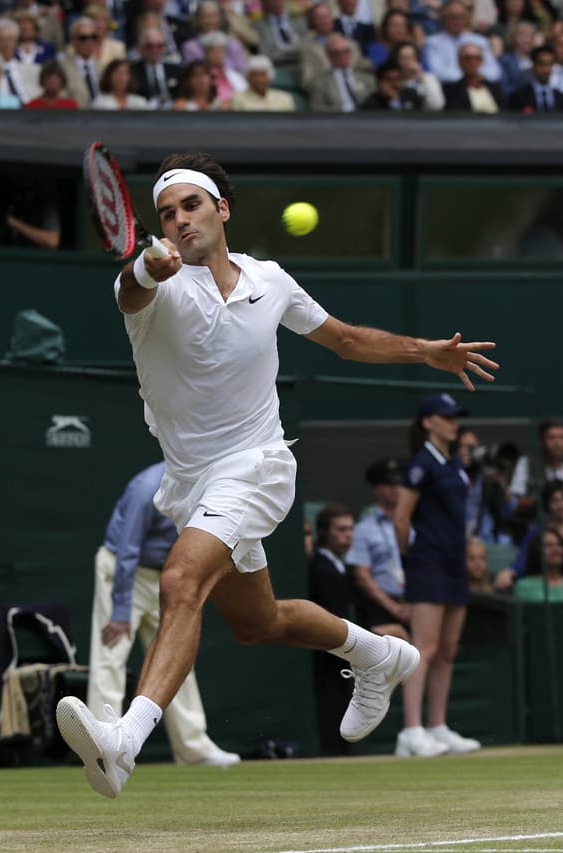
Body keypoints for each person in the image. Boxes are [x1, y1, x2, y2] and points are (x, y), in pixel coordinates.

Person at [55, 152, 497, 798]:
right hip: (192, 483)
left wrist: (425, 350)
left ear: (222, 209)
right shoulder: (155, 285)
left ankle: (124, 739)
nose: (179, 221)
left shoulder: (270, 280)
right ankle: (375, 654)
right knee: (257, 622)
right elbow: (131, 288)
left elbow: (344, 339)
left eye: (192, 206)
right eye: (167, 213)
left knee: (180, 578)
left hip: (258, 467)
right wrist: (145, 267)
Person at [87, 462, 240, 769]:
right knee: (111, 655)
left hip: (166, 575)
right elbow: (127, 549)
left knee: (176, 657)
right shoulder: (147, 487)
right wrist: (120, 611)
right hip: (123, 572)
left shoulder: (208, 485)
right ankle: (101, 749)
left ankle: (193, 748)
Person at [393, 393, 486, 758]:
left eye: (455, 417)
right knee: (425, 648)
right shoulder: (420, 464)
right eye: (445, 417)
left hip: (454, 564)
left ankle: (437, 726)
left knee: (447, 650)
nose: (453, 422)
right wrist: (410, 557)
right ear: (427, 422)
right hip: (427, 562)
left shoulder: (454, 465)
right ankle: (411, 731)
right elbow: (402, 518)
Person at [307, 503, 358, 756]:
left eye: (350, 529)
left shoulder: (340, 567)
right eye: (341, 529)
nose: (348, 535)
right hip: (328, 655)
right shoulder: (321, 568)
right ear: (325, 533)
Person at [495, 481, 563, 598]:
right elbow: (523, 561)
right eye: (554, 500)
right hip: (547, 594)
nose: (560, 505)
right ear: (547, 504)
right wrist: (509, 572)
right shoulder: (537, 532)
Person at [348, 459, 412, 640]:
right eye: (388, 484)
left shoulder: (417, 525)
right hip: (380, 607)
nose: (396, 488)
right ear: (376, 488)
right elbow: (362, 576)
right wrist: (394, 607)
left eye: (400, 483)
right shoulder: (364, 528)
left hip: (417, 602)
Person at [512, 528, 563, 602]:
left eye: (560, 545)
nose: (556, 550)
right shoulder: (524, 587)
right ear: (536, 551)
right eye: (548, 545)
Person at [505, 44, 563, 111]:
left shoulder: (562, 99)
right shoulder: (519, 97)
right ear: (534, 66)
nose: (546, 70)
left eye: (550, 64)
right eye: (541, 64)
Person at [230, 54, 297, 110]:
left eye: (262, 75)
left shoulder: (285, 99)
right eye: (254, 75)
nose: (259, 80)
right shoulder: (238, 99)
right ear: (248, 78)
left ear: (269, 77)